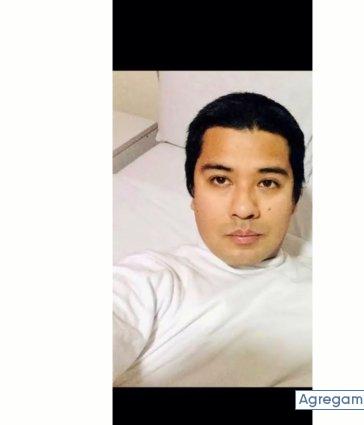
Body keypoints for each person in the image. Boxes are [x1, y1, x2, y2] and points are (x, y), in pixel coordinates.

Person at [113, 92, 311, 387]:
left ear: (294, 199)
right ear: (194, 194)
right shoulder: (151, 280)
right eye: (220, 179)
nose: (244, 209)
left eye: (268, 183)